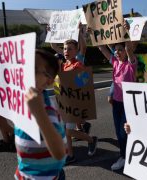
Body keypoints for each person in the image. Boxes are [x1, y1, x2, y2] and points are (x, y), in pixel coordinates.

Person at [14, 49, 67, 180]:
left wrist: (39, 113)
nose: (25, 71)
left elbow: (60, 153)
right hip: (25, 172)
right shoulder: (23, 97)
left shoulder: (46, 110)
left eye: (33, 69)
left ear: (48, 81)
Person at [98, 36, 137, 171]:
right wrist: (95, 33)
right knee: (118, 131)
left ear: (126, 51)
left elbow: (129, 49)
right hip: (117, 103)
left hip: (129, 104)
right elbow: (102, 47)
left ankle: (125, 157)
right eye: (116, 50)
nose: (117, 52)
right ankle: (125, 155)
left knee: (123, 132)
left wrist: (126, 35)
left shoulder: (131, 64)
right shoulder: (115, 62)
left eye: (120, 50)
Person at [59, 39, 98, 165]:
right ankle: (70, 155)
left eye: (70, 49)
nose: (66, 51)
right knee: (67, 131)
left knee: (68, 131)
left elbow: (83, 82)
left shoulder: (78, 65)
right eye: (65, 48)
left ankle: (91, 139)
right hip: (66, 103)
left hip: (75, 103)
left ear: (76, 51)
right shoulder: (64, 65)